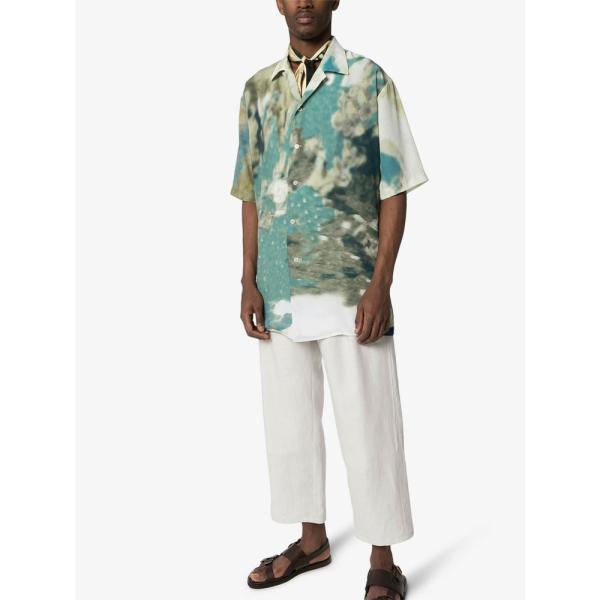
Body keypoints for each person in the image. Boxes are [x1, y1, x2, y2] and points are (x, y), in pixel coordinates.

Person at [230, 1, 428, 598]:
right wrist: (247, 279)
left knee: (370, 423)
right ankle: (311, 541)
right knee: (288, 422)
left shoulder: (369, 80)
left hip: (350, 285)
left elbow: (395, 187)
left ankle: (383, 559)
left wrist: (381, 284)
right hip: (279, 284)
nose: (304, 2)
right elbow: (250, 190)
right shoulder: (257, 90)